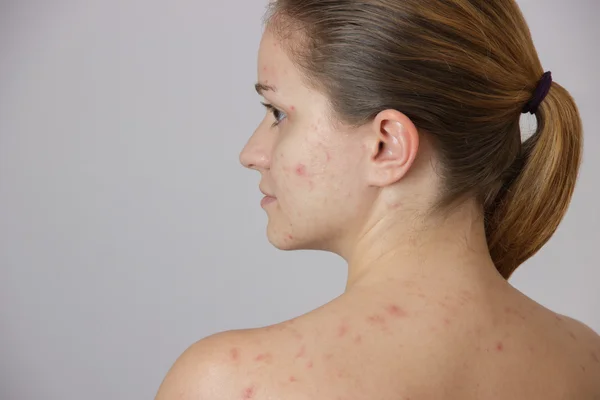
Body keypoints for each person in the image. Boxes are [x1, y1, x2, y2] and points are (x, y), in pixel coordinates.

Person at [155, 1, 600, 398]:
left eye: (277, 114)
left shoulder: (226, 382)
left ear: (386, 145)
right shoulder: (587, 361)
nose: (251, 154)